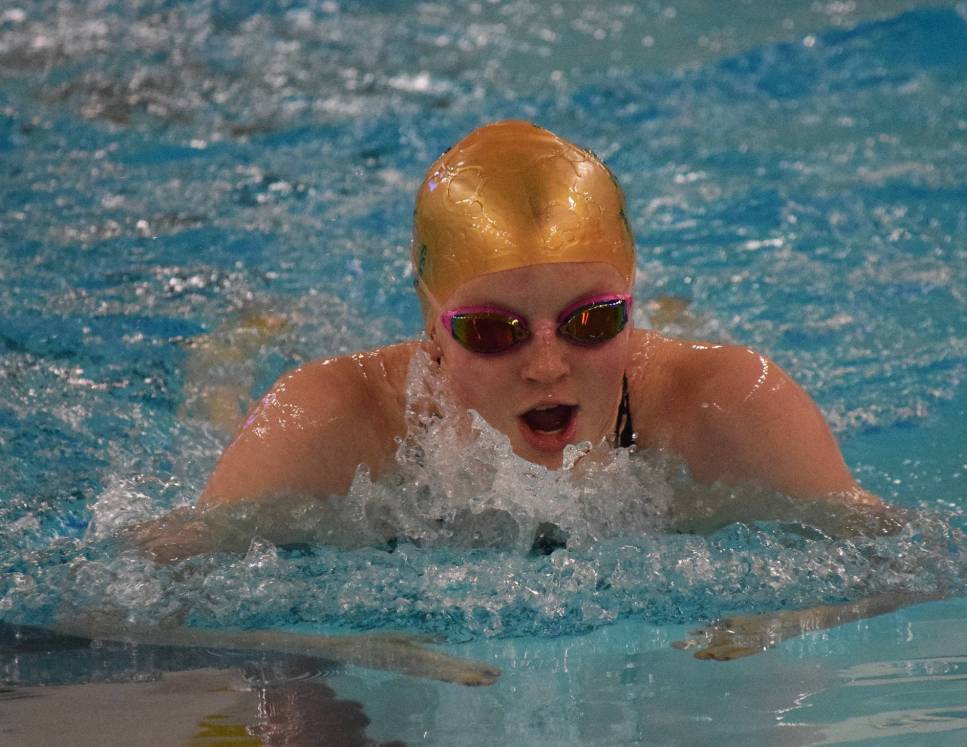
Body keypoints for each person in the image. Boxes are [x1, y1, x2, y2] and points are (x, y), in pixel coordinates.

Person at [135, 120, 922, 662]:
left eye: (592, 320)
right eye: (492, 330)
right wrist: (351, 644)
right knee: (216, 407)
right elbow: (135, 593)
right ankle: (241, 336)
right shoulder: (329, 420)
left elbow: (916, 560)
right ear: (434, 334)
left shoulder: (728, 404)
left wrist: (791, 620)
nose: (547, 366)